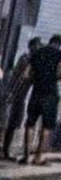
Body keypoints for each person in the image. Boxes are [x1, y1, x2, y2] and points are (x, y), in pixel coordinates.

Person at [19, 35, 59, 165]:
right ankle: (38, 157)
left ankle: (26, 157)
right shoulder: (59, 54)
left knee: (30, 124)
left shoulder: (37, 53)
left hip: (36, 93)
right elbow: (59, 73)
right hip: (50, 94)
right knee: (46, 126)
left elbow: (25, 74)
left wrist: (36, 79)